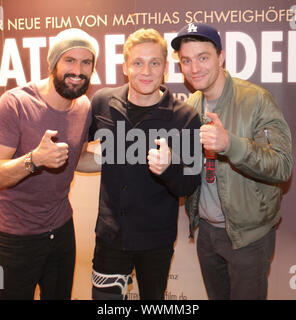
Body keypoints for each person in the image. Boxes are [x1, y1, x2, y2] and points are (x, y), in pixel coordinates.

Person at [171, 22, 293, 300]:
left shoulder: (257, 100)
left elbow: (283, 166)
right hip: (207, 234)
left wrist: (231, 145)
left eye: (203, 57)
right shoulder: (190, 105)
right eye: (186, 61)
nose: (195, 68)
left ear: (221, 57)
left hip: (248, 237)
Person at [0, 28, 99, 300]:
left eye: (86, 63)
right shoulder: (15, 103)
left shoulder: (83, 106)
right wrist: (35, 160)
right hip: (14, 237)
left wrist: (128, 159)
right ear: (53, 64)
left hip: (61, 230)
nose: (77, 70)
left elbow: (77, 158)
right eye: (69, 60)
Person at [89, 28, 201, 300]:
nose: (146, 71)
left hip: (156, 240)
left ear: (165, 67)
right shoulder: (103, 101)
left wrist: (171, 166)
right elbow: (78, 145)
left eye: (154, 63)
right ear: (125, 67)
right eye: (138, 63)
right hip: (110, 235)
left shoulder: (185, 116)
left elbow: (189, 183)